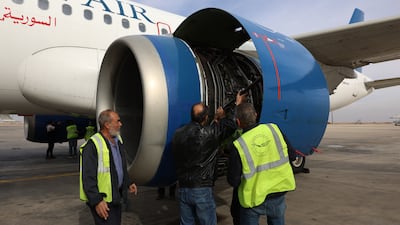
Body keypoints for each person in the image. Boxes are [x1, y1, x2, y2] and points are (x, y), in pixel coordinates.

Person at [172, 93, 246, 225]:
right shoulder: (209, 134)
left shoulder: (178, 134)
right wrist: (236, 106)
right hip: (202, 189)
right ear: (206, 118)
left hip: (183, 188)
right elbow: (231, 125)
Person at [227, 103, 296, 225]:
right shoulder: (274, 129)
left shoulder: (239, 144)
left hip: (253, 199)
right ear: (256, 115)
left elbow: (234, 181)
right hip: (278, 193)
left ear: (238, 122)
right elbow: (292, 155)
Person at [79, 109, 138, 225]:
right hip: (103, 201)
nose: (120, 124)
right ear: (107, 125)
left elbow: (120, 166)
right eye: (118, 121)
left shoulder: (117, 140)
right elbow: (88, 177)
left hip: (115, 197)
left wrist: (128, 182)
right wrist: (97, 201)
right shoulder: (92, 146)